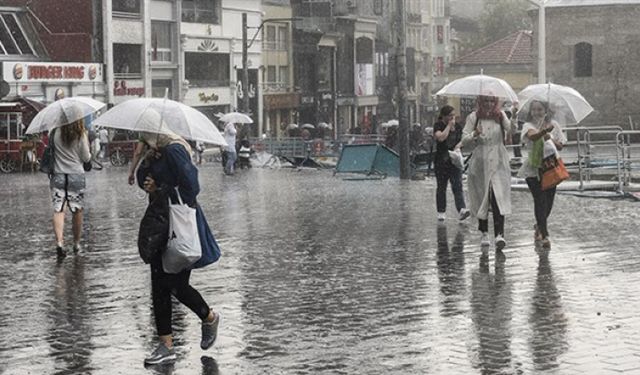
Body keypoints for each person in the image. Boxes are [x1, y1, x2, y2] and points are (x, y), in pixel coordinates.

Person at [136, 131, 220, 366]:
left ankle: (208, 316)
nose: (141, 139)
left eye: (144, 135)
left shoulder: (174, 150)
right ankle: (166, 345)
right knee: (160, 285)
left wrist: (160, 187)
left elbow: (191, 188)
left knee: (175, 285)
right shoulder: (157, 152)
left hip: (179, 223)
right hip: (160, 223)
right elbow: (144, 180)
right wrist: (146, 161)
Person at [461, 95, 512, 249]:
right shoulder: (474, 117)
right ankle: (484, 232)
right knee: (482, 196)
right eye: (486, 101)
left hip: (498, 159)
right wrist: (475, 134)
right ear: (481, 102)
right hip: (481, 160)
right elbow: (464, 140)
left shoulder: (500, 116)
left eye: (492, 101)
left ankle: (499, 234)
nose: (489, 104)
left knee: (498, 196)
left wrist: (511, 117)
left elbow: (511, 130)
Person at [518, 100, 566, 248]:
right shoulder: (528, 126)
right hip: (533, 168)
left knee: (549, 202)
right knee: (540, 200)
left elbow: (561, 145)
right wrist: (544, 132)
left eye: (540, 109)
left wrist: (550, 136)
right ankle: (545, 235)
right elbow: (532, 137)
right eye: (534, 110)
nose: (537, 112)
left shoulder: (554, 125)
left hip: (550, 167)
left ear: (545, 111)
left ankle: (539, 225)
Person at [49, 118, 92, 258]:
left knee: (59, 209)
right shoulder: (80, 134)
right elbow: (86, 157)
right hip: (76, 175)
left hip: (58, 175)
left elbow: (52, 153)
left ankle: (59, 243)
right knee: (77, 210)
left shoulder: (55, 132)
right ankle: (76, 243)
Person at [433, 105, 470, 222]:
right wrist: (448, 126)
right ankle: (441, 211)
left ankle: (461, 209)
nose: (452, 118)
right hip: (441, 161)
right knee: (441, 187)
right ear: (444, 116)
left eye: (453, 115)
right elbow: (440, 138)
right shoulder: (438, 125)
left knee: (457, 185)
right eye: (450, 116)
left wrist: (458, 147)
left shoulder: (458, 127)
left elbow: (462, 141)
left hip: (454, 161)